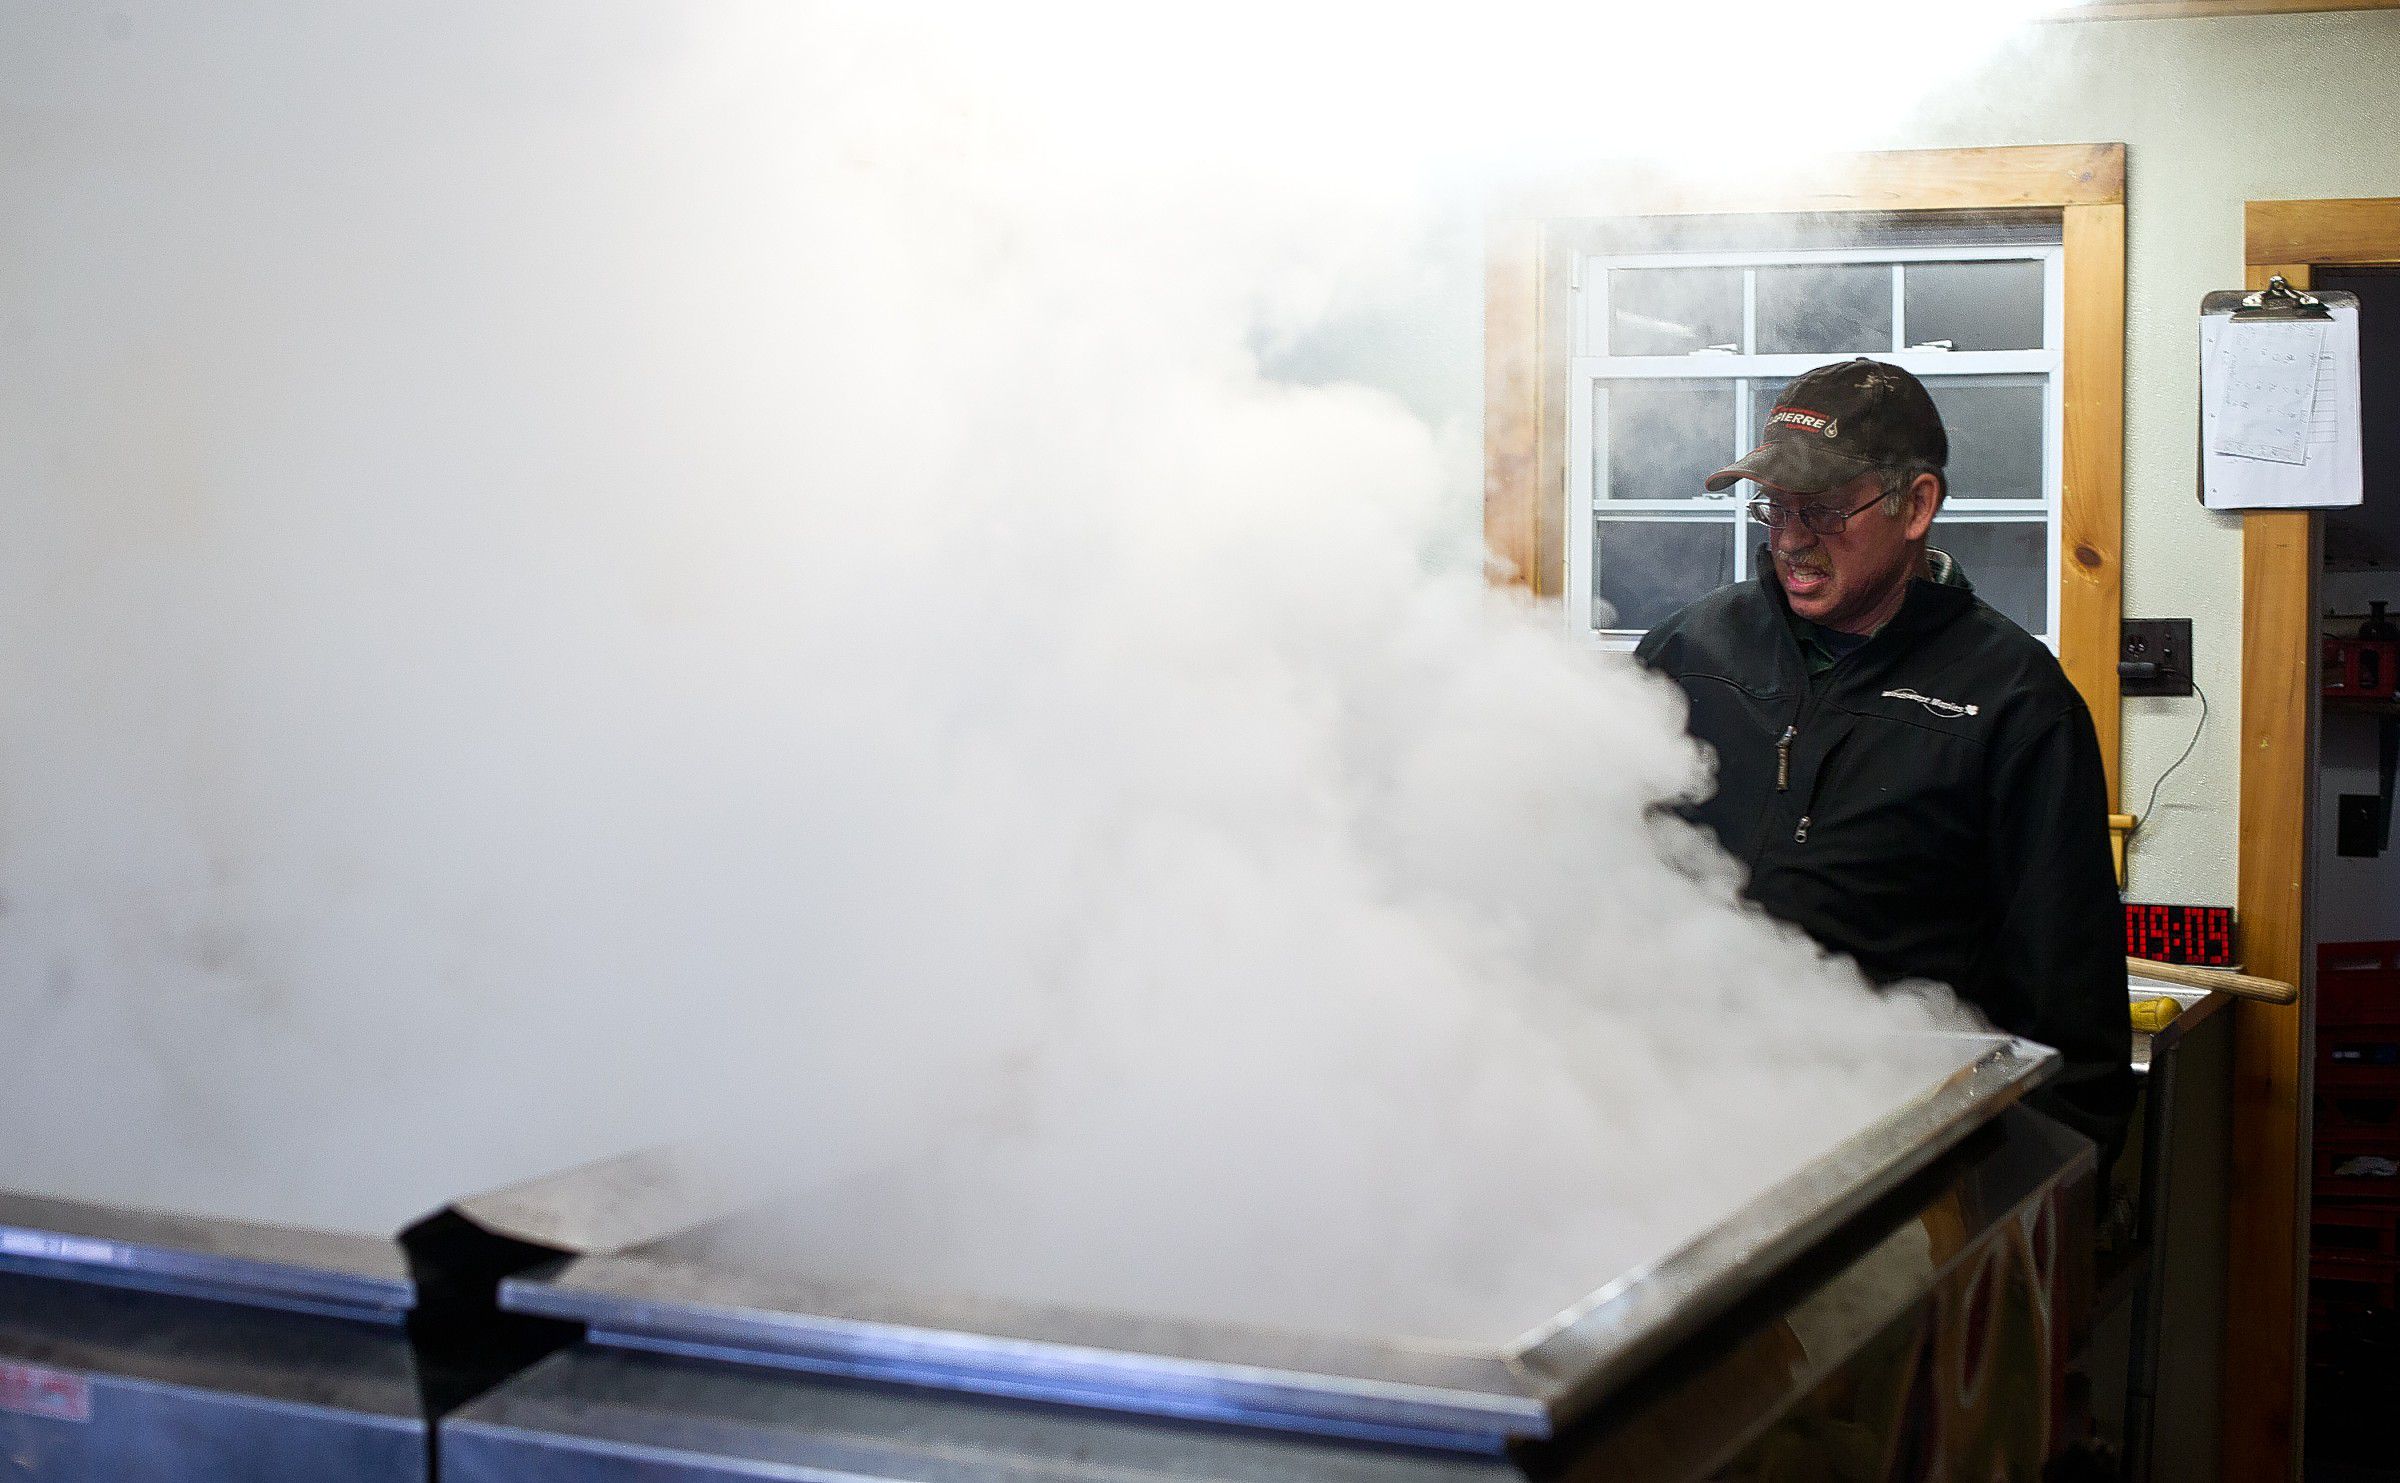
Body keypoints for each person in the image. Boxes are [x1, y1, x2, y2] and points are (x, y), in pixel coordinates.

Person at [1634, 358, 2132, 1161]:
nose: (1793, 538)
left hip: (1893, 1156)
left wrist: (2042, 1221)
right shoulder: (1690, 652)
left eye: (1827, 510)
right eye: (1776, 508)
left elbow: (2070, 1018)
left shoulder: (2013, 701)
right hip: (1678, 1128)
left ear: (1917, 504)